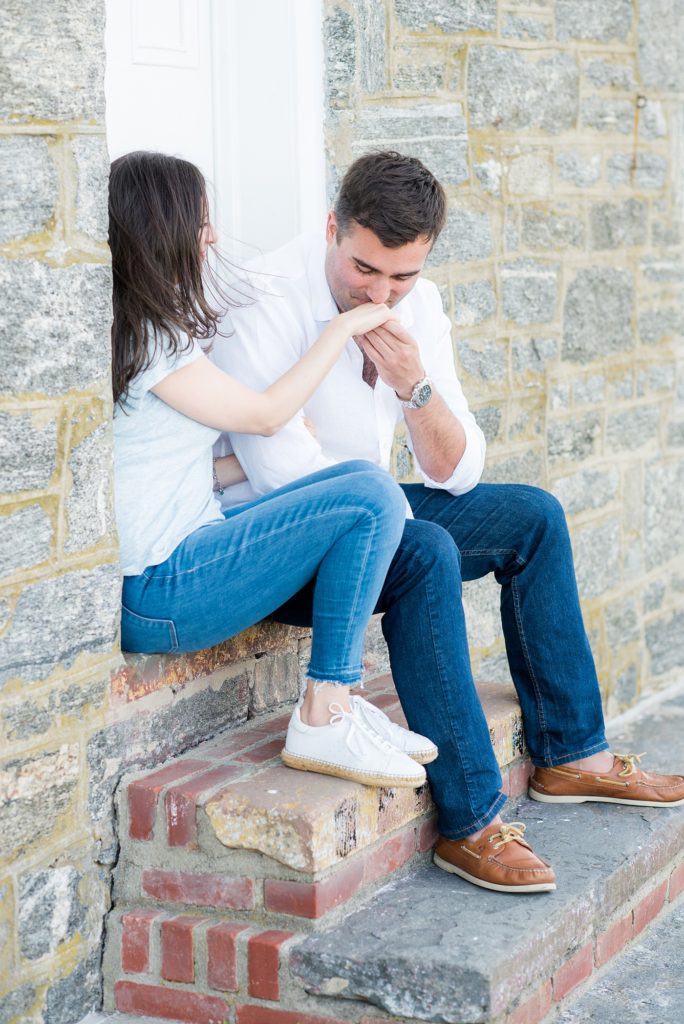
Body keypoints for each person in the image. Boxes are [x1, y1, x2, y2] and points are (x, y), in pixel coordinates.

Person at [212, 150, 684, 895]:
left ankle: (571, 756)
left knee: (532, 517)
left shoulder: (415, 305)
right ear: (333, 227)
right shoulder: (265, 299)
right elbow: (285, 481)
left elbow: (455, 469)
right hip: (275, 546)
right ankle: (471, 824)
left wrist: (414, 385)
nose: (382, 292)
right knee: (423, 544)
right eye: (365, 269)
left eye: (402, 276)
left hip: (370, 514)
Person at [109, 149, 439, 791]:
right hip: (162, 587)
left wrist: (231, 466)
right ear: (164, 230)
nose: (212, 237)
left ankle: (338, 704)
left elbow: (164, 472)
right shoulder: (156, 342)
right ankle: (324, 710)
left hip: (173, 565)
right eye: (201, 225)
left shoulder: (143, 331)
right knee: (369, 491)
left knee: (351, 494)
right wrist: (338, 333)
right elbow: (265, 415)